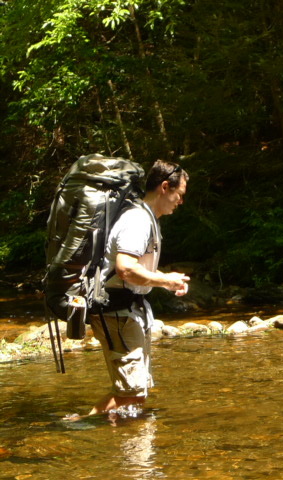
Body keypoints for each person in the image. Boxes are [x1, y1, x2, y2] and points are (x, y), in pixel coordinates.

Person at [87, 160, 190, 417]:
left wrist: (165, 283)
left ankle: (125, 447)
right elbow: (125, 268)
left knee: (136, 392)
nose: (180, 202)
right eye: (180, 195)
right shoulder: (137, 220)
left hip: (128, 309)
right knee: (131, 392)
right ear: (165, 187)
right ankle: (78, 426)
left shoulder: (147, 219)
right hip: (117, 311)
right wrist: (164, 279)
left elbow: (133, 270)